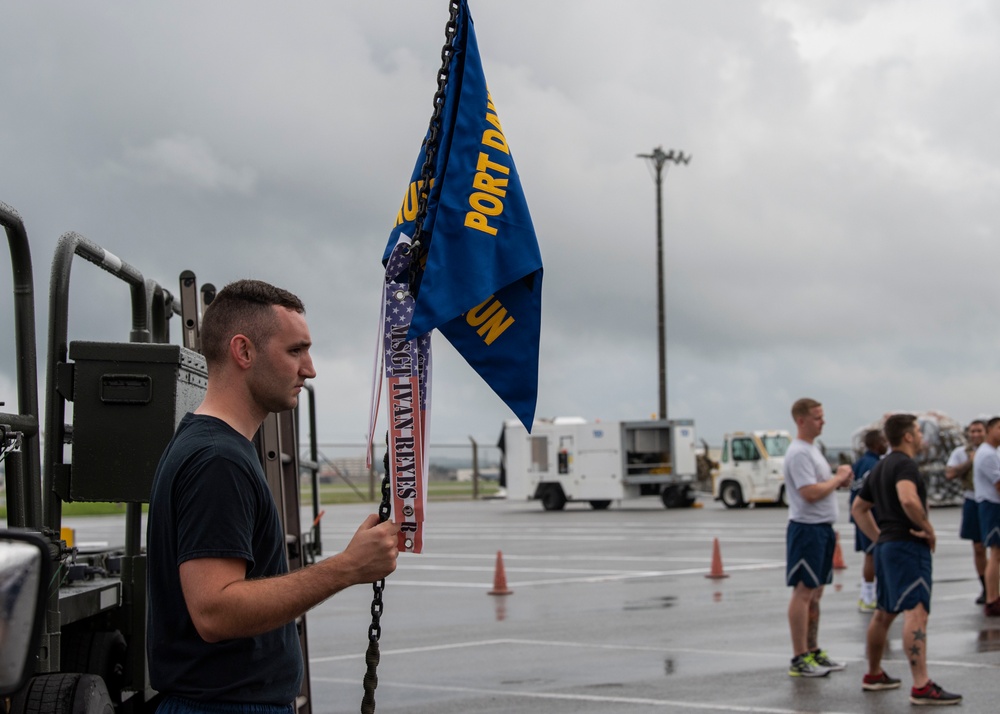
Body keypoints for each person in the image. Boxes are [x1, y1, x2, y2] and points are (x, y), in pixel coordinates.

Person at [146, 280, 400, 712]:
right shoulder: (217, 460)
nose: (310, 368)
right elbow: (214, 611)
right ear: (243, 352)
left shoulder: (214, 447)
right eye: (295, 351)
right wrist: (347, 568)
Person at [852, 413, 961, 705]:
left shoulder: (880, 466)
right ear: (909, 436)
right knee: (916, 611)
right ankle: (922, 685)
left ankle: (874, 674)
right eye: (918, 431)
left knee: (884, 612)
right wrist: (927, 528)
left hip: (887, 546)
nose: (922, 437)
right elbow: (909, 499)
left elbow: (858, 509)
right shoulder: (904, 465)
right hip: (908, 546)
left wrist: (878, 538)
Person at [783, 398, 853, 678]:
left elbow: (821, 486)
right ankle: (799, 656)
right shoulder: (799, 453)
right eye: (816, 417)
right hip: (806, 528)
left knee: (816, 592)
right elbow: (809, 492)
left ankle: (812, 650)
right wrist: (838, 478)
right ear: (801, 420)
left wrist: (839, 480)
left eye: (822, 417)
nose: (822, 422)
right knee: (803, 591)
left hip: (822, 528)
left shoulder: (812, 450)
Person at [945, 420, 987, 604]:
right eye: (972, 431)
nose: (975, 434)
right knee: (978, 547)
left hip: (992, 499)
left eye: (979, 431)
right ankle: (986, 587)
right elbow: (950, 474)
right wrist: (970, 461)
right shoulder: (960, 453)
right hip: (972, 499)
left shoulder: (994, 452)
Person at [850, 429, 887, 613]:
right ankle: (868, 595)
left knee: (871, 555)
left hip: (861, 515)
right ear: (875, 443)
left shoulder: (859, 464)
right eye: (883, 441)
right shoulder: (872, 466)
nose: (886, 444)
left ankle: (870, 594)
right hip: (871, 515)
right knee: (873, 555)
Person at [973, 416, 1000, 616]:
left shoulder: (991, 452)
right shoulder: (988, 454)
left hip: (990, 505)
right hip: (992, 506)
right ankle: (992, 599)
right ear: (989, 430)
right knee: (996, 554)